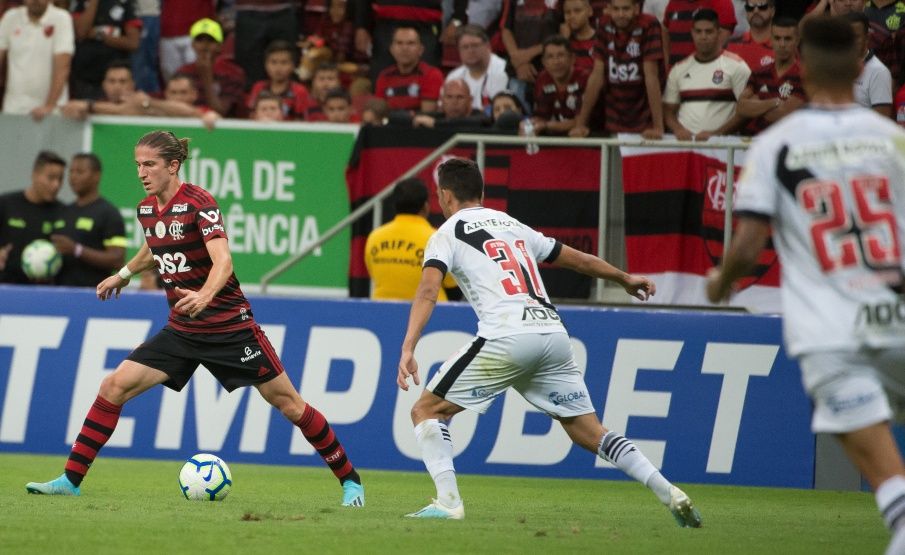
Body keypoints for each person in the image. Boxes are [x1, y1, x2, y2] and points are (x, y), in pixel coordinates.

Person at [25, 131, 365, 509]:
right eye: (138, 165)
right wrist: (123, 274)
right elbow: (154, 246)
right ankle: (70, 480)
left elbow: (223, 261)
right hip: (183, 330)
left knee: (290, 405)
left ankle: (350, 481)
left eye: (150, 164)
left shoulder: (200, 203)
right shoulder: (146, 209)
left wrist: (205, 295)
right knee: (113, 386)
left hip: (230, 328)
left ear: (173, 166)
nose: (141, 173)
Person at [396, 157, 701, 526]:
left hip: (506, 336)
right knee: (589, 432)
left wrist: (409, 346)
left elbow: (429, 291)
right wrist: (623, 278)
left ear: (445, 196)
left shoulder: (446, 233)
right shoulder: (513, 225)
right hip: (552, 334)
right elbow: (576, 259)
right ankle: (668, 490)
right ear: (481, 191)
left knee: (427, 410)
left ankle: (448, 503)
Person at [705, 15, 905, 554]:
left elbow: (748, 247)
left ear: (803, 69)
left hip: (833, 334)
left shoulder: (778, 146)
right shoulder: (895, 143)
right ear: (860, 68)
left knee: (877, 463)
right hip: (899, 320)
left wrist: (720, 283)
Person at [570, 0, 664, 139]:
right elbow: (596, 75)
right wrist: (581, 125)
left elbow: (651, 76)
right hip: (614, 115)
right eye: (616, 9)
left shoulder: (649, 24)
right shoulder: (604, 24)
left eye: (626, 9)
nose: (620, 14)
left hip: (644, 115)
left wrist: (658, 126)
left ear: (636, 8)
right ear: (609, 9)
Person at [663, 8, 750, 140]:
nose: (703, 37)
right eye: (698, 31)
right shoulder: (678, 69)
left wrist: (716, 135)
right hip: (687, 145)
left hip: (723, 146)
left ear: (718, 33)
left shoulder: (737, 67)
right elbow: (669, 111)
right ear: (692, 33)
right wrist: (678, 130)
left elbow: (746, 111)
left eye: (708, 31)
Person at [365, 178, 456, 300]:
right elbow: (454, 288)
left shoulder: (374, 237)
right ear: (426, 206)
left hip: (382, 309)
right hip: (430, 310)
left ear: (394, 205)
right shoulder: (438, 239)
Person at [50, 153, 126, 287]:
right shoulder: (63, 212)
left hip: (93, 294)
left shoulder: (109, 214)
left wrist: (77, 250)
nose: (73, 177)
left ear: (97, 176)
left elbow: (117, 260)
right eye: (71, 172)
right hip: (59, 293)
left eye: (80, 172)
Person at [0, 0, 74, 119]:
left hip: (53, 109)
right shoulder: (10, 17)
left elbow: (63, 67)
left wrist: (49, 106)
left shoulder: (62, 18)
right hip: (14, 106)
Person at [0, 150, 65, 284]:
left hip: (44, 290)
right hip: (6, 287)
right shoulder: (6, 204)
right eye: (51, 178)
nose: (56, 185)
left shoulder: (63, 212)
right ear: (35, 174)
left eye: (60, 179)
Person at [735, 16, 805, 134]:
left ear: (797, 40)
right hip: (751, 140)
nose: (782, 44)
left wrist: (756, 103)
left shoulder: (804, 75)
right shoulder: (759, 73)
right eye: (777, 38)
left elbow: (782, 115)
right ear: (771, 39)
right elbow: (741, 108)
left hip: (784, 140)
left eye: (787, 39)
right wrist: (774, 102)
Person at [69, 0, 141, 100]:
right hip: (85, 78)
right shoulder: (81, 3)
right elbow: (81, 32)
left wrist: (99, 35)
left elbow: (133, 43)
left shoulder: (125, 3)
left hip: (115, 76)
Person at [176, 17, 245, 117]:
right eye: (200, 40)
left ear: (220, 46)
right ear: (193, 45)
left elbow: (221, 112)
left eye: (211, 41)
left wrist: (207, 76)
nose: (205, 45)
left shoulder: (232, 73)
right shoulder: (183, 72)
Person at [374, 26, 444, 114]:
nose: (404, 48)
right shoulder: (384, 76)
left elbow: (427, 114)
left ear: (421, 50)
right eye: (399, 43)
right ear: (391, 49)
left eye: (411, 43)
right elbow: (378, 112)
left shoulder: (432, 75)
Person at [531, 35, 589, 135]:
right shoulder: (542, 80)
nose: (556, 62)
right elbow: (540, 117)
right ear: (544, 62)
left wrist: (546, 125)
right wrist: (529, 124)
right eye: (550, 57)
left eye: (561, 55)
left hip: (585, 137)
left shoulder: (585, 79)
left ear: (572, 58)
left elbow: (583, 120)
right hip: (552, 138)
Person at [444, 25, 508, 114]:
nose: (470, 51)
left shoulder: (504, 70)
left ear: (488, 46)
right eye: (465, 47)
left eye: (475, 45)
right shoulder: (454, 77)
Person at [246, 39, 310, 121]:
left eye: (284, 63)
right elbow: (251, 116)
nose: (278, 68)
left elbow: (302, 121)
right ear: (266, 65)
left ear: (293, 66)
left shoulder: (299, 91)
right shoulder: (258, 87)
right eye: (273, 62)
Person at [849, 11, 894, 117]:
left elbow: (882, 119)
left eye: (856, 37)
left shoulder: (879, 72)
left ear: (867, 38)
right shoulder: (835, 67)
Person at [411, 78, 486, 129]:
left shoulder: (480, 117)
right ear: (442, 100)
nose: (454, 102)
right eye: (449, 97)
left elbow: (471, 122)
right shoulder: (439, 116)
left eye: (460, 97)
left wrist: (435, 123)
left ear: (470, 100)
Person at [726, 0, 776, 71]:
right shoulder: (732, 45)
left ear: (773, 11)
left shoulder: (783, 44)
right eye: (750, 7)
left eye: (762, 6)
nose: (756, 11)